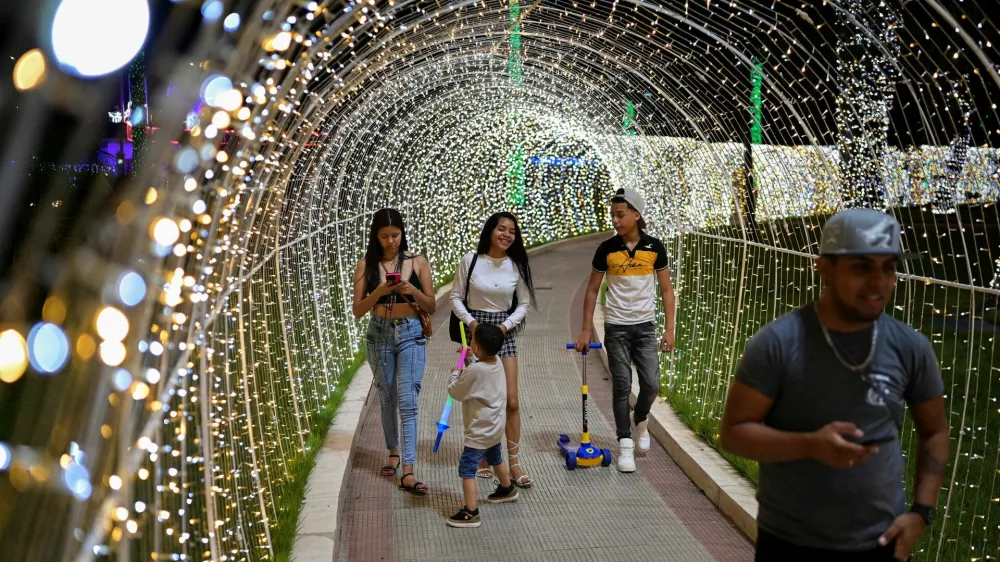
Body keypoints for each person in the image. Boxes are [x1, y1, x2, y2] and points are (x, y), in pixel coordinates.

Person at [718, 208, 950, 561]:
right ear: (823, 267)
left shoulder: (909, 348)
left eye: (888, 268)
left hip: (882, 543)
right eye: (861, 267)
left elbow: (934, 431)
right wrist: (810, 445)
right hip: (789, 542)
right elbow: (734, 433)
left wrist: (921, 513)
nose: (878, 282)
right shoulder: (778, 344)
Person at [574, 187, 676, 473]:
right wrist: (585, 329)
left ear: (636, 215)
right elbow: (593, 290)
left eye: (620, 215)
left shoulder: (654, 247)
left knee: (651, 384)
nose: (615, 221)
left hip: (645, 327)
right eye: (613, 216)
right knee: (621, 384)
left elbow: (667, 290)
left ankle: (640, 418)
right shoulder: (606, 249)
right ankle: (625, 445)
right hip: (616, 327)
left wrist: (669, 329)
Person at [352, 208, 436, 494]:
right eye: (385, 236)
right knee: (387, 395)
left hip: (411, 334)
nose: (391, 241)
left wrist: (410, 291)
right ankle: (393, 451)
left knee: (409, 400)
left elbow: (432, 305)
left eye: (396, 235)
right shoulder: (366, 265)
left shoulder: (418, 262)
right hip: (379, 334)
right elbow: (358, 310)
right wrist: (379, 292)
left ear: (403, 233)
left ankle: (409, 471)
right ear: (376, 236)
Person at [450, 212, 537, 487]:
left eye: (512, 231)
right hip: (475, 332)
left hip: (503, 332)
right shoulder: (470, 261)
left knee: (511, 401)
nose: (507, 235)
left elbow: (523, 303)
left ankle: (514, 462)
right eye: (501, 229)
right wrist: (472, 324)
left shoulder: (516, 266)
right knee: (479, 398)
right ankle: (484, 458)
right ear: (490, 231)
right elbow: (455, 297)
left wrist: (505, 327)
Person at [445, 323, 520, 528]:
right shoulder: (496, 362)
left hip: (479, 431)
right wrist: (471, 357)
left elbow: (455, 391)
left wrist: (455, 371)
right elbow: (478, 373)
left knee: (467, 469)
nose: (470, 343)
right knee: (495, 456)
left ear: (477, 347)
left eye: (472, 341)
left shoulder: (474, 370)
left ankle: (471, 512)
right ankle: (506, 488)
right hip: (495, 427)